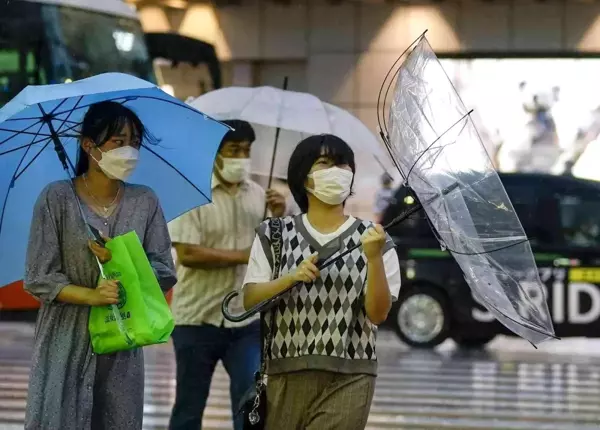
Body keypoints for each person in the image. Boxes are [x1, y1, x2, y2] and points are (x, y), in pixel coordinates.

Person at [24, 101, 177, 430]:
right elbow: (39, 277)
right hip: (65, 342)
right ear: (88, 145)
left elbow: (164, 270)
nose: (129, 151)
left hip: (122, 342)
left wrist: (122, 260)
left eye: (134, 143)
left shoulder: (144, 201)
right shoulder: (56, 199)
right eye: (117, 142)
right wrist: (92, 295)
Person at [243, 134, 401, 429]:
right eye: (325, 163)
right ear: (304, 178)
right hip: (285, 372)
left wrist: (375, 259)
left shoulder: (375, 239)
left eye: (343, 165)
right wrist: (291, 278)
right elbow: (250, 299)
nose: (337, 171)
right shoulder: (274, 234)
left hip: (351, 375)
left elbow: (378, 314)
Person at [167, 119, 286, 430]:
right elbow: (189, 254)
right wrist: (243, 256)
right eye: (234, 150)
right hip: (196, 319)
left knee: (251, 404)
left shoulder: (259, 195)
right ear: (216, 153)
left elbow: (275, 252)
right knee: (189, 409)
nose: (241, 158)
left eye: (246, 151)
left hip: (244, 320)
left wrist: (278, 216)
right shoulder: (192, 193)